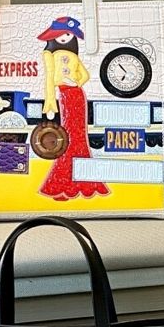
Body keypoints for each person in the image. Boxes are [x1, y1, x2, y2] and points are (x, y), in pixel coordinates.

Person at [36, 16, 110, 201]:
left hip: (76, 95)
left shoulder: (74, 56)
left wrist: (75, 82)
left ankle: (77, 182)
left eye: (68, 34)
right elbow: (49, 78)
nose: (64, 37)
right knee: (68, 135)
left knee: (78, 136)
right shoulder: (49, 54)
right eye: (61, 34)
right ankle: (65, 183)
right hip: (64, 95)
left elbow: (85, 75)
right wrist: (50, 101)